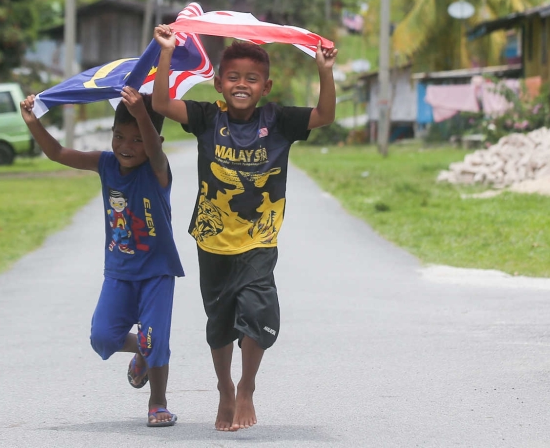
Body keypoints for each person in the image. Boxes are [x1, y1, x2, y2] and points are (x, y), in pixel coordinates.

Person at [151, 26, 338, 431]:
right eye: (233, 77)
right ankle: (224, 388)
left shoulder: (280, 121)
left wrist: (325, 70)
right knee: (219, 324)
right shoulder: (206, 117)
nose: (241, 84)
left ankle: (247, 387)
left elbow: (324, 115)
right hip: (212, 240)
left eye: (251, 79)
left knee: (258, 313)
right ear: (219, 83)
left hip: (259, 240)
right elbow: (162, 102)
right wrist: (166, 52)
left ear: (265, 86)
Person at [19, 87, 183, 427]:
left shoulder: (157, 169)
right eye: (119, 136)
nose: (125, 146)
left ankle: (158, 402)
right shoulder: (105, 164)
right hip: (119, 271)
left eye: (137, 140)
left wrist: (141, 114)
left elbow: (152, 149)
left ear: (154, 141)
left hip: (156, 270)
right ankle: (143, 349)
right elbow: (58, 152)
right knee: (103, 337)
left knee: (157, 339)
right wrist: (32, 121)